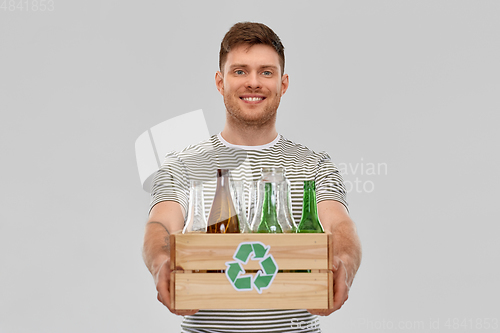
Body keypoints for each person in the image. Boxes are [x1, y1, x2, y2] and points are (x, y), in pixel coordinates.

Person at [142, 22, 362, 332]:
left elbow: (340, 225)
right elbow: (160, 224)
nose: (254, 83)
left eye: (266, 72)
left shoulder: (314, 166)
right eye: (240, 71)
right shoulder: (182, 165)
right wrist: (161, 263)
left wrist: (344, 264)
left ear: (283, 84)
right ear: (220, 82)